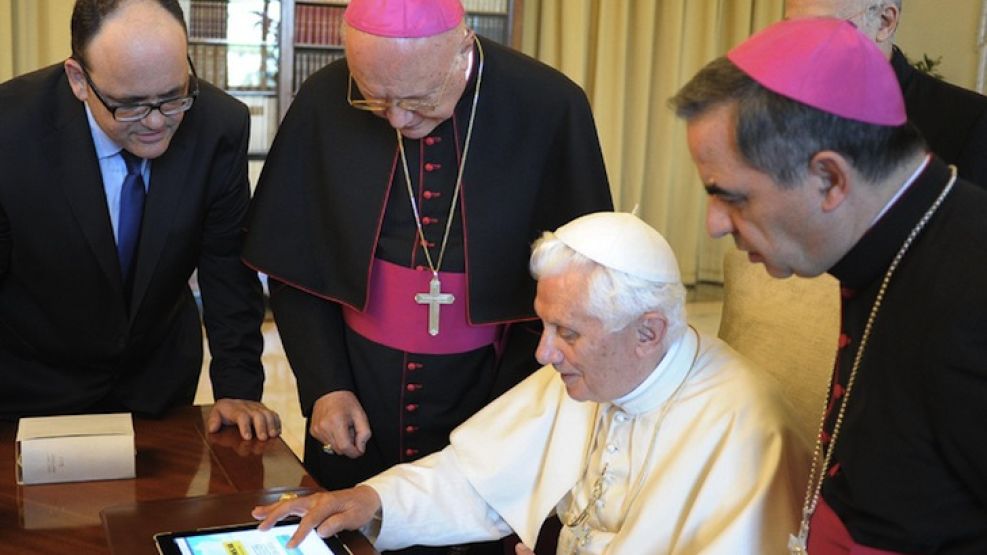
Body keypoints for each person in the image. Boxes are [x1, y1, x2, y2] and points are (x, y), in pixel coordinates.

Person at [252, 211, 806, 554]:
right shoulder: (596, 372)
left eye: (566, 332)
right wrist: (372, 499)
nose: (543, 352)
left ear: (648, 331)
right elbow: (477, 479)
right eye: (543, 325)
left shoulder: (745, 427)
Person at [243, 0, 613, 497]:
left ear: (463, 47)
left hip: (495, 380)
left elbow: (576, 283)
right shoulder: (324, 97)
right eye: (373, 99)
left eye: (419, 98)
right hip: (357, 376)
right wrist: (326, 386)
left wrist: (514, 412)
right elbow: (296, 268)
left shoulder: (549, 103)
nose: (396, 118)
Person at [672, 17, 987, 554]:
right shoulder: (884, 248)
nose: (715, 224)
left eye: (733, 196)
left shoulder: (969, 294)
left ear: (831, 179)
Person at [0, 0, 280, 440]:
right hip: (31, 390)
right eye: (129, 106)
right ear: (79, 79)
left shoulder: (218, 126)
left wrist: (238, 389)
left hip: (157, 385)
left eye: (173, 97)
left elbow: (227, 269)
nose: (156, 122)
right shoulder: (9, 129)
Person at [785, 0, 987, 187]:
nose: (804, 45)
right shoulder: (780, 104)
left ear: (884, 22)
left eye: (821, 28)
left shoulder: (970, 121)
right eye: (793, 29)